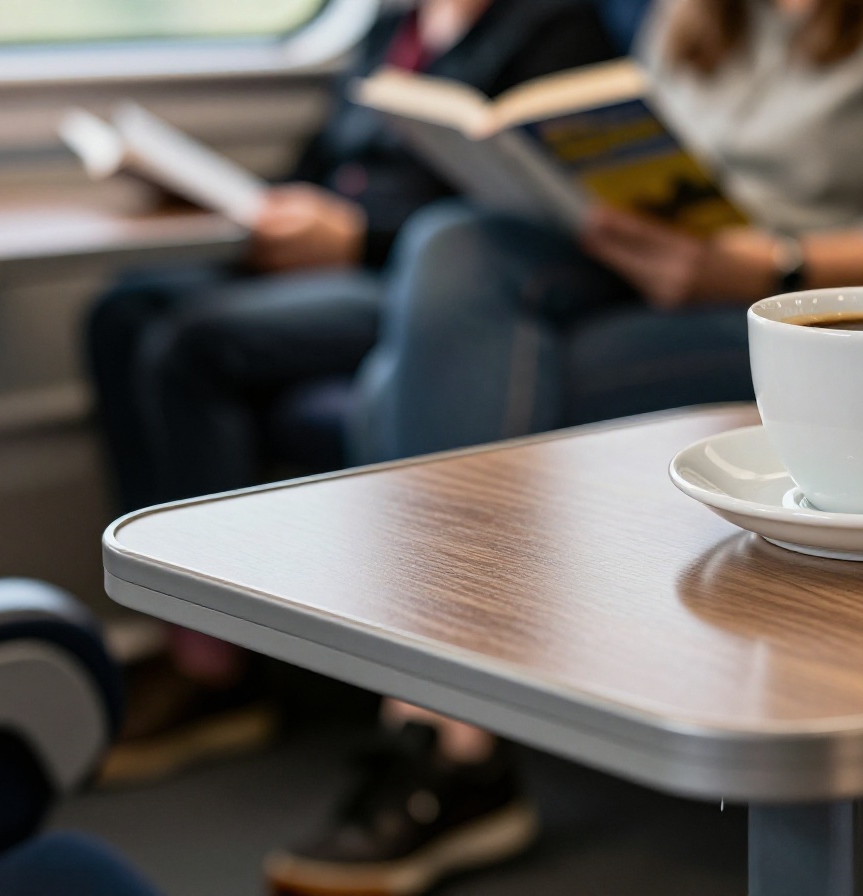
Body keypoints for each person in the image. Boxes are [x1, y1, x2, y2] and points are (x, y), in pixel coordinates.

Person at [264, 0, 863, 893]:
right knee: (452, 242)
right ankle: (449, 717)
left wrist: (766, 262)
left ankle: (447, 733)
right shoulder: (693, 14)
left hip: (790, 307)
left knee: (411, 386)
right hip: (650, 272)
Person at [84, 0, 618, 787]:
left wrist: (354, 234)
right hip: (335, 248)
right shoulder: (392, 26)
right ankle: (187, 640)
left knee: (192, 343)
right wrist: (262, 207)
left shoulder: (551, 28)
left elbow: (517, 205)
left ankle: (224, 662)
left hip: (400, 268)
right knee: (123, 309)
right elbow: (325, 152)